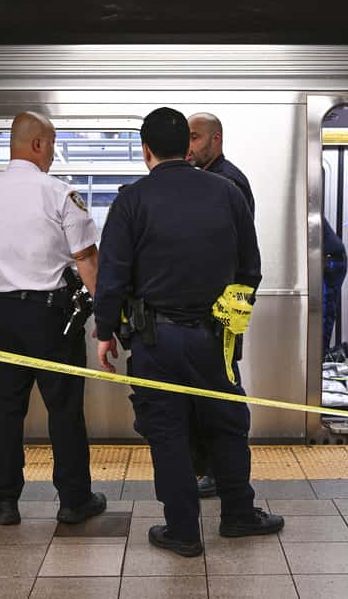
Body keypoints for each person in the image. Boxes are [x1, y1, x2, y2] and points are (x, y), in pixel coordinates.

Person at [95, 107, 283, 558]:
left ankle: (182, 531)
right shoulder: (227, 193)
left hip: (155, 339)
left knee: (167, 430)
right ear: (188, 145)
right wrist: (229, 323)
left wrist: (105, 331)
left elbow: (113, 275)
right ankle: (238, 514)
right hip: (215, 337)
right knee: (226, 424)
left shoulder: (131, 200)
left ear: (146, 151)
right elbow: (250, 269)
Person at [0, 112, 106, 527]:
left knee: (7, 408)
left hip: (2, 314)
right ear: (38, 144)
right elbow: (88, 261)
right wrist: (108, 319)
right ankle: (74, 500)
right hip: (52, 316)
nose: (54, 154)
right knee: (64, 408)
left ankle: (3, 500)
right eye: (53, 144)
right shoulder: (58, 193)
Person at [186, 112, 255, 498]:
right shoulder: (207, 178)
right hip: (213, 307)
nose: (189, 145)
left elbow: (230, 251)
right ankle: (208, 467)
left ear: (216, 139)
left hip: (222, 308)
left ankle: (221, 472)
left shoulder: (226, 181)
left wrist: (228, 313)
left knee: (221, 391)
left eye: (195, 137)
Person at [322, 216, 348, 359]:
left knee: (325, 310)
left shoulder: (304, 209)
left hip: (332, 260)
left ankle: (321, 354)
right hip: (330, 258)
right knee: (325, 309)